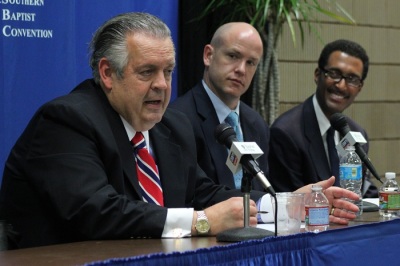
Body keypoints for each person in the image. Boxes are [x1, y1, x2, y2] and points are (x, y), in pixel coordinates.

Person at [0, 13, 359, 249]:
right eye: (147, 72)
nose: (161, 86)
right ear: (108, 74)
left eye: (168, 72)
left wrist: (291, 204)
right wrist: (202, 222)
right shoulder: (66, 121)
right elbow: (98, 211)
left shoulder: (171, 125)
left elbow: (206, 192)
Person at [268, 39, 378, 198]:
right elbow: (289, 202)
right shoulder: (286, 133)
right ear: (317, 75)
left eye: (352, 79)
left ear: (359, 88)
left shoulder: (357, 133)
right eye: (334, 74)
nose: (341, 85)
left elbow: (363, 190)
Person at [169, 22, 268, 191]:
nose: (241, 69)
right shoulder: (178, 120)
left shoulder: (257, 124)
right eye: (233, 56)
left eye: (251, 62)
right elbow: (193, 195)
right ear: (208, 55)